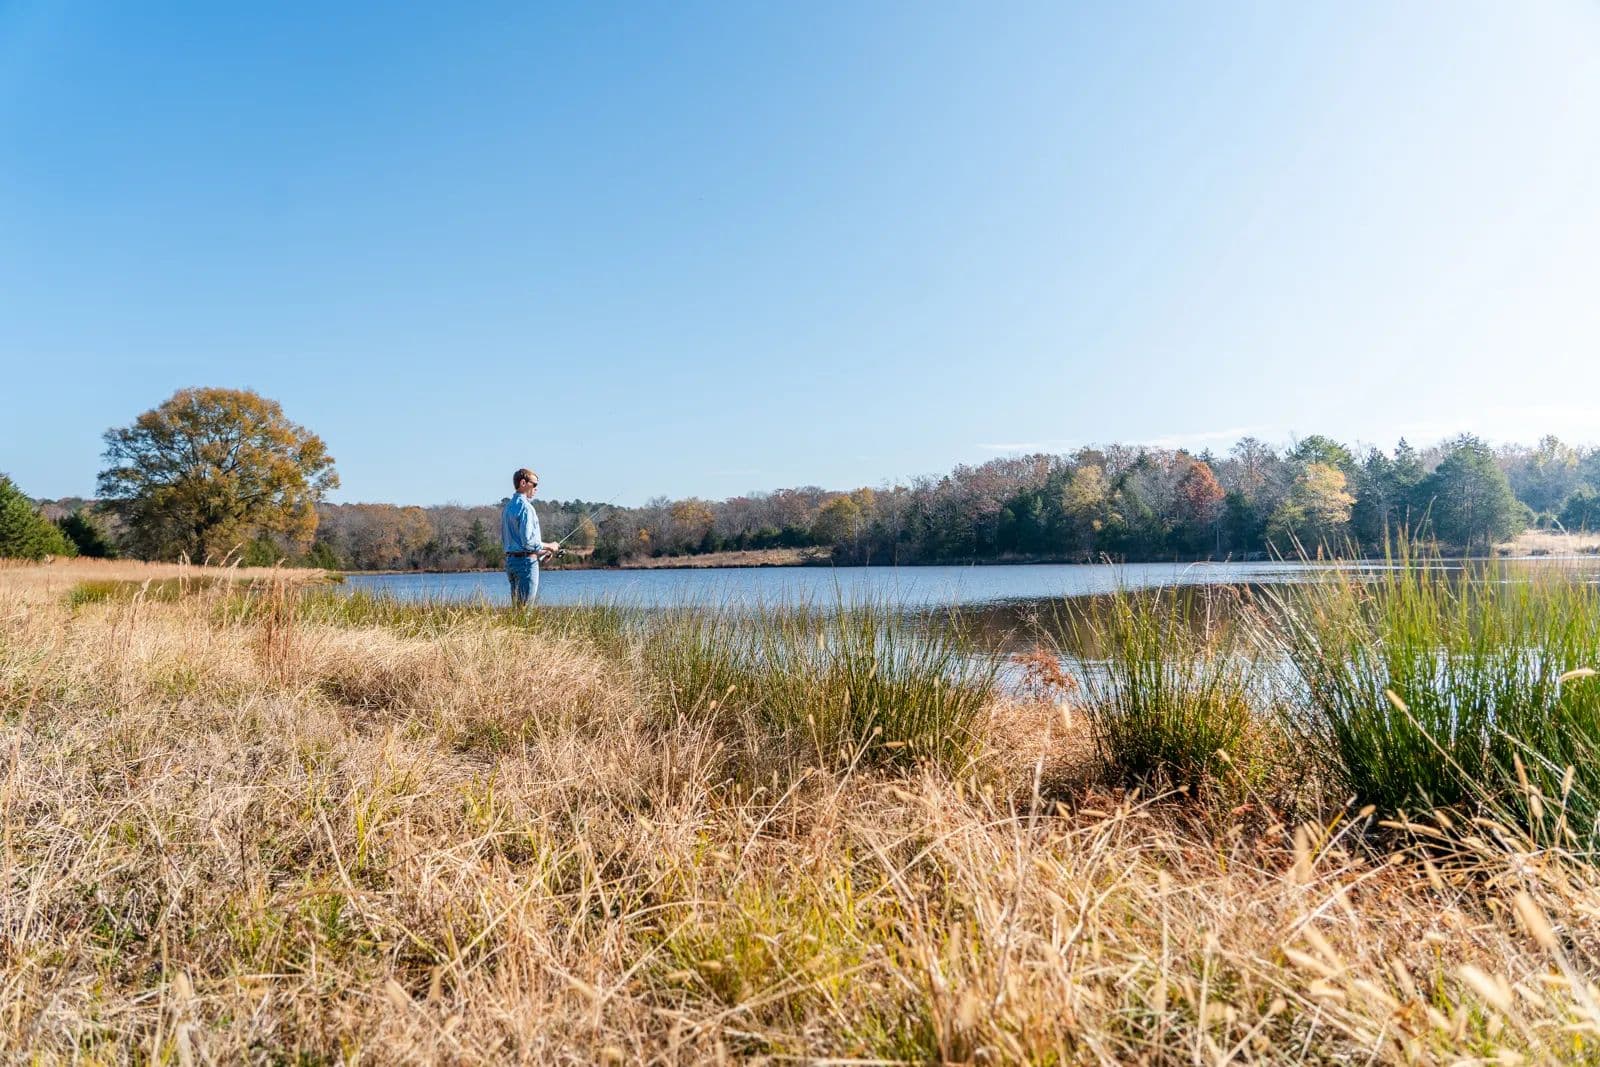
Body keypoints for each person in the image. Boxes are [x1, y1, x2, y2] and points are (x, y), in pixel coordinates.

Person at [501, 468, 557, 607]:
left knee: (517, 610)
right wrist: (550, 546)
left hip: (511, 563)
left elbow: (515, 543)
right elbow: (527, 542)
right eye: (535, 484)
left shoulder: (508, 507)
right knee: (525, 611)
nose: (536, 488)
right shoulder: (526, 508)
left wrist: (542, 552)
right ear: (523, 483)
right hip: (526, 564)